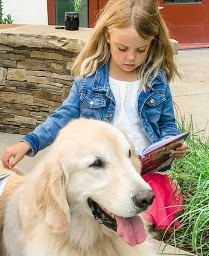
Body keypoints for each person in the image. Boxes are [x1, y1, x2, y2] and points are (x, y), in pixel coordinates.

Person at [1, 0, 187, 231]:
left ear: (152, 43)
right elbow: (63, 117)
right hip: (105, 176)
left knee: (142, 229)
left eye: (141, 50)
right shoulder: (89, 78)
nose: (131, 57)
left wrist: (172, 142)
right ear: (107, 36)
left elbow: (167, 124)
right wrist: (29, 143)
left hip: (144, 174)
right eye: (122, 48)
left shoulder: (156, 80)